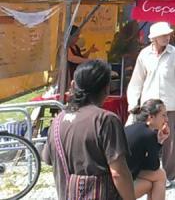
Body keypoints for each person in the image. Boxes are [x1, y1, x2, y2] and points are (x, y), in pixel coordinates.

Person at [43, 60, 136, 200]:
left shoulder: (57, 121)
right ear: (106, 88)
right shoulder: (106, 120)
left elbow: (48, 159)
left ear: (73, 85)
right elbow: (118, 172)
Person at [127, 22, 175, 183]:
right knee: (144, 140)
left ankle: (168, 177)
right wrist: (132, 103)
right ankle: (142, 173)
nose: (167, 37)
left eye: (168, 34)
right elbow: (136, 81)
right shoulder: (144, 55)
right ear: (154, 38)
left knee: (171, 143)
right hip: (148, 108)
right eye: (164, 35)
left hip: (170, 106)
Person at [125, 99, 169, 200]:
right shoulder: (148, 134)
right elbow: (154, 165)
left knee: (157, 178)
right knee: (159, 177)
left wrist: (159, 142)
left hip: (117, 179)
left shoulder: (131, 128)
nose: (166, 119)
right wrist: (159, 142)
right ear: (151, 117)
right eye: (163, 115)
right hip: (117, 190)